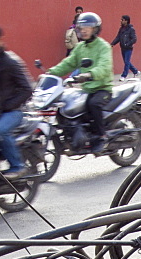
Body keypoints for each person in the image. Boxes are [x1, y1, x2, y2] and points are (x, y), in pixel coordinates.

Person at [47, 11, 112, 153]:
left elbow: (105, 67)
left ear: (95, 29)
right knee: (67, 102)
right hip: (87, 89)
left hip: (102, 88)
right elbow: (68, 64)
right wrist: (50, 73)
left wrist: (90, 74)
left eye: (87, 27)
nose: (84, 31)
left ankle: (102, 136)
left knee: (93, 104)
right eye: (81, 28)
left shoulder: (103, 46)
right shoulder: (80, 48)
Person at [0, 23, 33, 180]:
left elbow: (27, 89)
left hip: (13, 112)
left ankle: (17, 166)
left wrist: (7, 106)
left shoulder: (11, 62)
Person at [112, 15, 139, 81]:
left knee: (127, 62)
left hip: (128, 48)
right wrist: (112, 44)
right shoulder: (121, 29)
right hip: (123, 48)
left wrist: (128, 44)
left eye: (122, 20)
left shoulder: (131, 29)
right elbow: (118, 37)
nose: (121, 21)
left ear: (126, 21)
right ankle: (135, 71)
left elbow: (134, 39)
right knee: (127, 62)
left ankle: (123, 76)